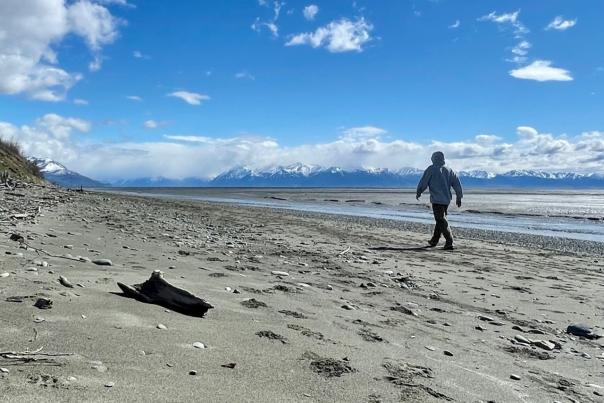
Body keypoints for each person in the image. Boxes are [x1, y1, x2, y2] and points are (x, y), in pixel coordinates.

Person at [416, 151, 463, 250]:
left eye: (432, 158)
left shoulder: (431, 169)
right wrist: (459, 196)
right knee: (440, 220)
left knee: (441, 220)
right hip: (446, 200)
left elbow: (424, 181)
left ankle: (449, 241)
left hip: (437, 200)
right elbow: (457, 184)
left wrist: (419, 191)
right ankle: (434, 240)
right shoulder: (449, 170)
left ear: (435, 159)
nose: (431, 160)